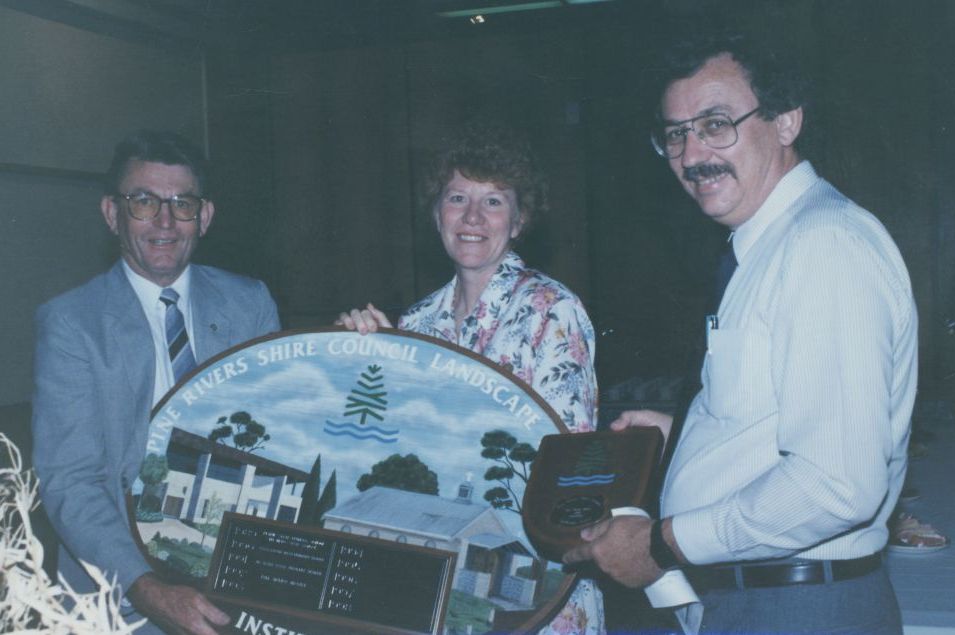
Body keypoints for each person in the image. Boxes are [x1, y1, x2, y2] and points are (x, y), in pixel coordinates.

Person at [563, 30, 918, 635]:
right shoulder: (769, 246)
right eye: (675, 133)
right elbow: (789, 415)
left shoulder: (823, 247)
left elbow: (836, 485)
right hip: (763, 603)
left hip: (798, 611)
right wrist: (688, 439)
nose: (692, 153)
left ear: (786, 122)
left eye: (716, 123)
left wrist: (661, 543)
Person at [337, 121, 604, 634]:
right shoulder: (415, 325)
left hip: (539, 587)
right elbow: (390, 450)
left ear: (520, 220)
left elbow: (573, 469)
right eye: (457, 197)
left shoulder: (553, 311)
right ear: (437, 213)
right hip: (434, 587)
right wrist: (358, 355)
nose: (473, 217)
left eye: (494, 201)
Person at [32, 130, 281, 635]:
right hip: (117, 590)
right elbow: (71, 481)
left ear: (204, 217)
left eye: (181, 203)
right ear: (112, 214)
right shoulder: (71, 322)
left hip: (236, 577)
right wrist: (147, 590)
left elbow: (281, 444)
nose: (164, 221)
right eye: (143, 202)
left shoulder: (249, 303)